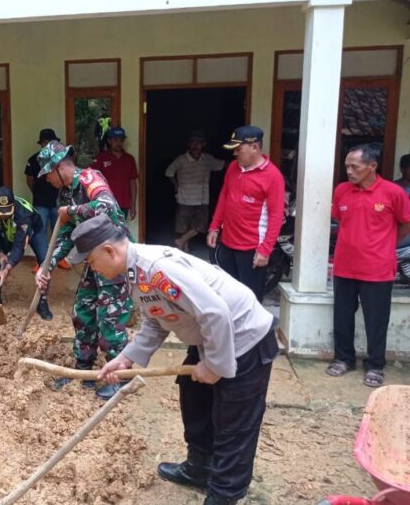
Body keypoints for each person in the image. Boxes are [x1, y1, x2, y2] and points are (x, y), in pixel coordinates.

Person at [71, 214, 278, 505]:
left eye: (91, 263)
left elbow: (215, 313)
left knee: (234, 420)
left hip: (244, 337)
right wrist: (126, 359)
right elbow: (156, 321)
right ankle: (199, 468)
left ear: (109, 251)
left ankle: (224, 494)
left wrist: (216, 365)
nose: (92, 270)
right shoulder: (133, 273)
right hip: (209, 336)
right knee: (194, 399)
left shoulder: (157, 267)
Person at [34, 140, 133, 400]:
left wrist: (71, 211)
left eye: (47, 174)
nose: (46, 180)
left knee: (110, 318)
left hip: (114, 258)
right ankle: (84, 370)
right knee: (83, 312)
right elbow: (65, 234)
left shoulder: (90, 177)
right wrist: (49, 265)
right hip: (93, 259)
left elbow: (107, 207)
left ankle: (121, 377)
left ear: (59, 167)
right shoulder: (65, 194)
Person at [326, 144, 410, 387]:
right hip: (344, 266)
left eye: (354, 166)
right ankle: (344, 358)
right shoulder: (342, 190)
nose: (349, 171)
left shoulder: (393, 193)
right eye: (347, 167)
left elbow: (405, 224)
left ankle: (375, 365)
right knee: (342, 316)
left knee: (376, 320)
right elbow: (341, 220)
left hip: (378, 269)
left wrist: (385, 245)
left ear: (372, 166)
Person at [207, 126, 285, 301]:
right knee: (228, 295)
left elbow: (276, 216)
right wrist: (214, 227)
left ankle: (252, 329)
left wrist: (265, 250)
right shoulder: (234, 167)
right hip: (227, 243)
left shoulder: (273, 176)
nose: (235, 154)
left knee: (250, 300)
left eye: (238, 149)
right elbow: (224, 196)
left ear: (255, 147)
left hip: (252, 248)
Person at [0, 186, 53, 320]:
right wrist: (0, 253)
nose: (4, 214)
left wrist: (7, 269)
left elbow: (19, 247)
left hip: (33, 232)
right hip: (8, 231)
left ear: (13, 205)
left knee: (45, 262)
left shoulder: (23, 215)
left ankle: (42, 302)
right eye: (1, 212)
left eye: (7, 211)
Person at [165, 130, 225, 252]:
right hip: (185, 198)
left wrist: (238, 162)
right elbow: (169, 172)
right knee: (183, 227)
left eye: (198, 143)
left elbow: (222, 164)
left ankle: (180, 241)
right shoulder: (181, 159)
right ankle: (185, 250)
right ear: (189, 145)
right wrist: (176, 187)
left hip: (202, 199)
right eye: (193, 143)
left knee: (201, 226)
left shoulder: (207, 159)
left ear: (204, 144)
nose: (195, 146)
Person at [25, 128, 71, 272]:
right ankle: (41, 261)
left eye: (50, 141)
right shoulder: (34, 159)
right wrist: (37, 193)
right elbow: (30, 180)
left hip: (58, 202)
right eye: (44, 142)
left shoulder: (61, 160)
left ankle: (61, 258)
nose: (47, 144)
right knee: (40, 231)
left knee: (60, 231)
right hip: (40, 202)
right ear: (41, 143)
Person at [91, 127, 139, 220]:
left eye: (121, 140)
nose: (118, 143)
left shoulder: (129, 159)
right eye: (115, 140)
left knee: (120, 232)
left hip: (123, 203)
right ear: (109, 141)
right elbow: (93, 180)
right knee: (105, 231)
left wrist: (133, 205)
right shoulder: (101, 158)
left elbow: (133, 183)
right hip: (104, 202)